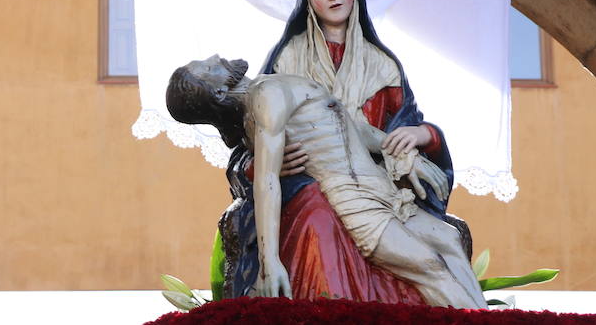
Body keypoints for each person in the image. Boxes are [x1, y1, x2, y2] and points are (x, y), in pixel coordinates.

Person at [222, 0, 457, 302]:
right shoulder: (287, 59)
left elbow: (402, 128)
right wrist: (261, 165)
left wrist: (426, 135)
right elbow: (249, 141)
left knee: (443, 241)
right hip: (308, 182)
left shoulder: (383, 64)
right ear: (309, 1)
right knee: (319, 215)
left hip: (377, 182)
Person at [168, 56, 486, 308]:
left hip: (382, 187)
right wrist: (270, 262)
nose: (215, 56)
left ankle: (483, 317)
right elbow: (266, 180)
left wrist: (405, 153)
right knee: (430, 267)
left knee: (449, 240)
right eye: (208, 67)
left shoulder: (267, 87)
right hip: (352, 198)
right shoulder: (263, 99)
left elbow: (350, 127)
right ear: (220, 93)